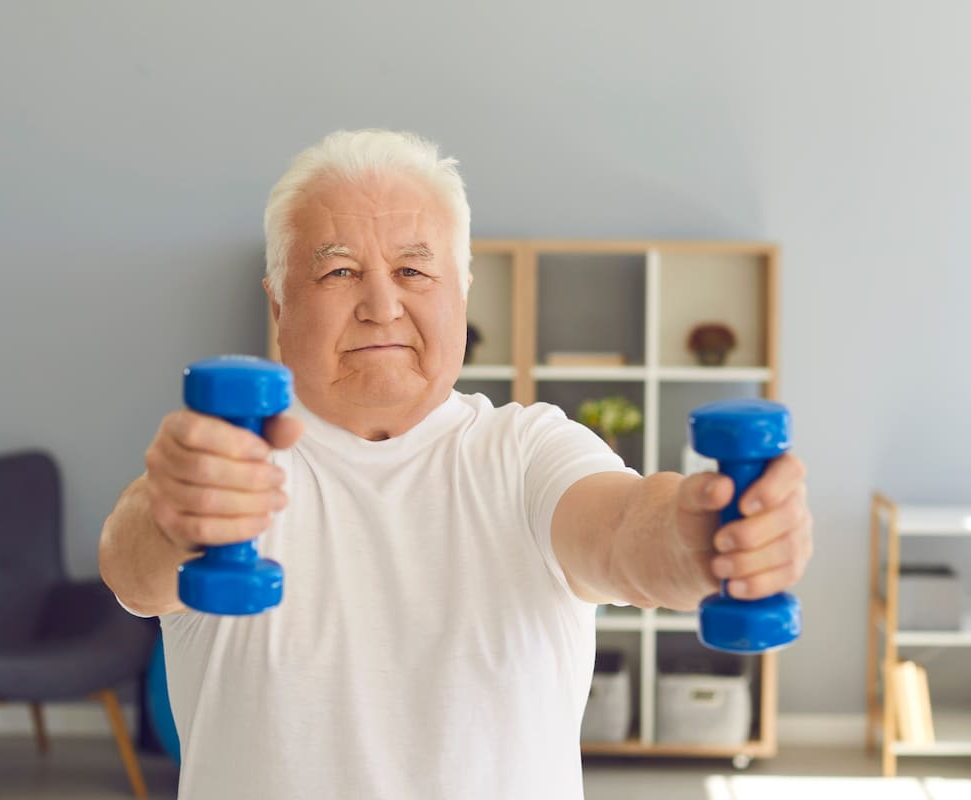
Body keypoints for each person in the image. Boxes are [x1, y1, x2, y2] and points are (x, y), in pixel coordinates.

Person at [98, 129, 813, 800]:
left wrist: (704, 538)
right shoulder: (225, 463)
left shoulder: (529, 449)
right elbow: (132, 562)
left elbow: (626, 526)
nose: (382, 306)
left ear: (462, 294)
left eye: (413, 269)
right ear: (280, 303)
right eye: (340, 271)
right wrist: (175, 514)